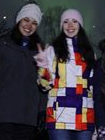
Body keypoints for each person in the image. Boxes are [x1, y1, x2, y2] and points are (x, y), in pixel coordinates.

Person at [0, 1, 47, 140]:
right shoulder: (3, 43)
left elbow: (43, 83)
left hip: (27, 115)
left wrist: (42, 110)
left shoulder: (40, 50)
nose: (29, 26)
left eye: (34, 23)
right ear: (19, 20)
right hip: (3, 113)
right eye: (26, 20)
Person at [34, 9, 96, 140]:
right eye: (66, 22)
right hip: (58, 117)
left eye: (74, 21)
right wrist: (43, 66)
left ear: (80, 25)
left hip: (84, 115)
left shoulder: (89, 53)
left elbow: (93, 87)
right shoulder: (53, 50)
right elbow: (44, 86)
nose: (70, 25)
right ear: (62, 26)